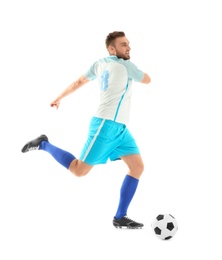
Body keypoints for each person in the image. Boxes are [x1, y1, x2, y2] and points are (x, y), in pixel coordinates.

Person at [21, 31, 151, 229]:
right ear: (112, 48)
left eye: (129, 44)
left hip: (120, 129)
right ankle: (43, 144)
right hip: (105, 126)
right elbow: (147, 79)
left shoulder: (99, 64)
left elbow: (78, 82)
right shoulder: (126, 65)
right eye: (124, 45)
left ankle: (120, 217)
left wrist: (59, 97)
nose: (129, 48)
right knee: (78, 170)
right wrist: (132, 69)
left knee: (137, 167)